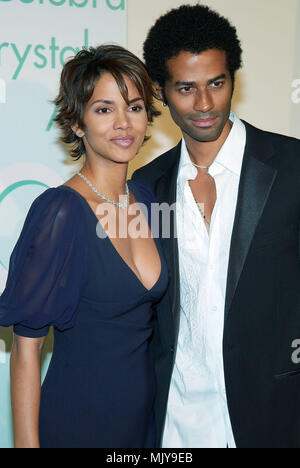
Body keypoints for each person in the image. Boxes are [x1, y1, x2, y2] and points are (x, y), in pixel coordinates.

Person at [132, 4, 300, 448]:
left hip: (274, 414)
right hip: (176, 421)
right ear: (162, 92)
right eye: (185, 88)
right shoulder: (146, 187)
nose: (204, 104)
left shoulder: (292, 167)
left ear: (233, 81)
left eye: (216, 84)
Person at [0, 45, 168, 448]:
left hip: (145, 425)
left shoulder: (149, 200)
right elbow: (26, 352)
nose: (124, 123)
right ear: (78, 124)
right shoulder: (60, 212)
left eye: (135, 106)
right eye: (104, 109)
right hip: (76, 422)